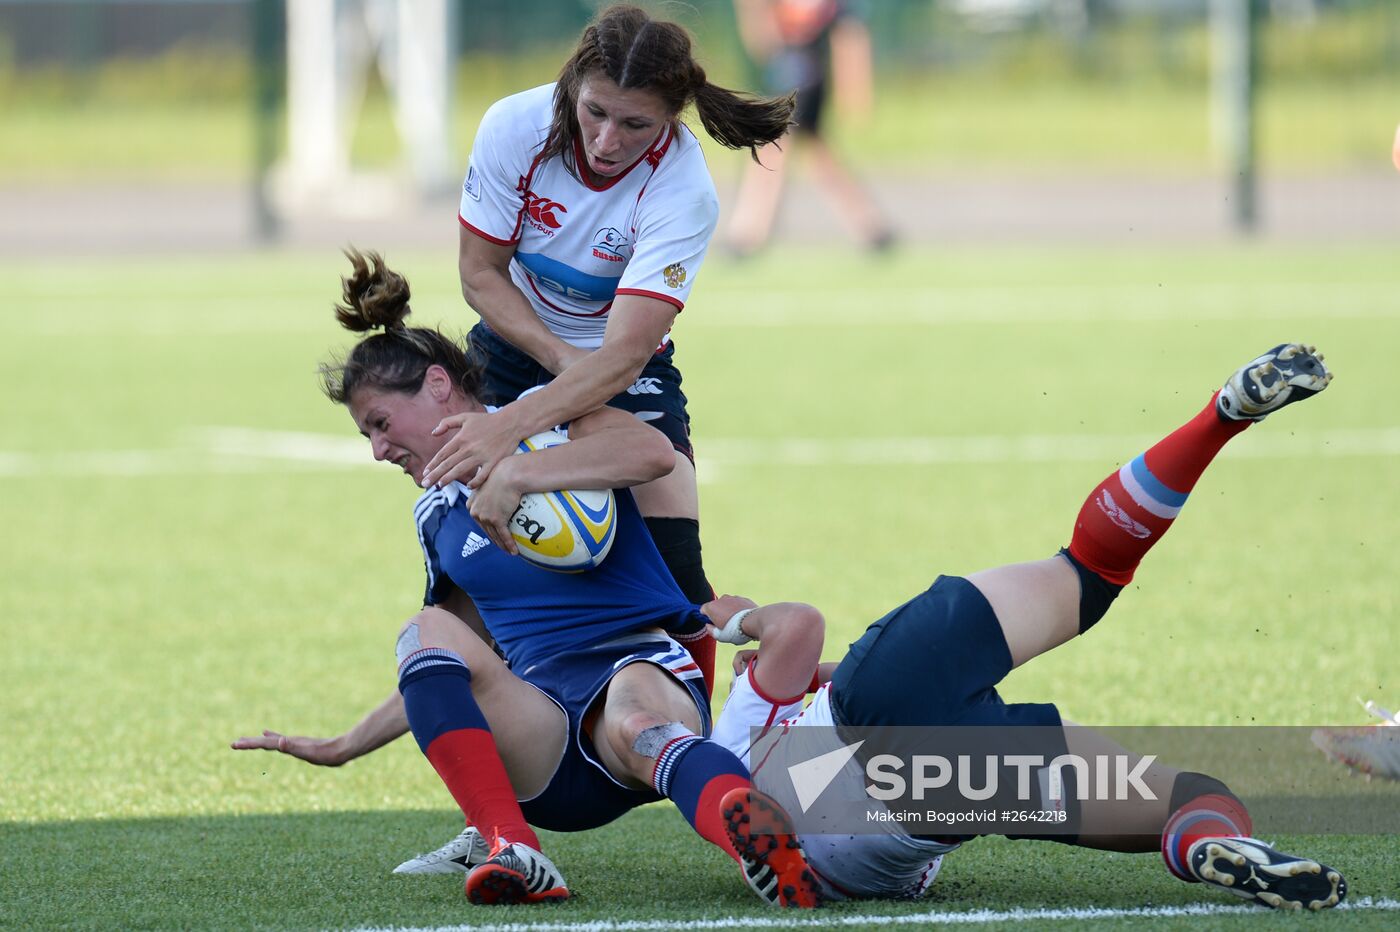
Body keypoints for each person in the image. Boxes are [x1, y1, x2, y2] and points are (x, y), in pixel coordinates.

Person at [232, 250, 820, 908]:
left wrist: (517, 472)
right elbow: (444, 668)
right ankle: (514, 847)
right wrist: (345, 746)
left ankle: (755, 841)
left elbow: (652, 453)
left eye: (379, 423)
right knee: (425, 627)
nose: (376, 449)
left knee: (635, 725)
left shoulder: (551, 417)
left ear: (435, 385)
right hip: (544, 734)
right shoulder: (435, 514)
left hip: (636, 671)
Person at [704, 343, 1348, 911]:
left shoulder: (736, 789)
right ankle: (1222, 417)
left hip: (933, 797)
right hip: (887, 685)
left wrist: (803, 681)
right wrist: (740, 620)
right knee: (1089, 570)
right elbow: (800, 626)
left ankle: (1200, 843)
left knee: (1192, 798)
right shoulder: (736, 730)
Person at [421, 4, 798, 695]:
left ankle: (707, 733)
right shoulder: (514, 126)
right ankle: (502, 758)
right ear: (573, 84)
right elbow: (480, 273)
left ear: (671, 120)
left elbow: (625, 355)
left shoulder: (683, 189)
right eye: (595, 112)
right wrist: (560, 365)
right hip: (512, 344)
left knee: (680, 587)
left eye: (635, 125)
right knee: (470, 587)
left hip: (627, 364)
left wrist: (515, 423)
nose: (605, 140)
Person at [726, 0, 893, 256]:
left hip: (802, 80)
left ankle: (748, 232)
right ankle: (870, 226)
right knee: (816, 154)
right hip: (793, 77)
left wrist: (856, 90)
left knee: (774, 149)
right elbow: (763, 39)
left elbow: (849, 36)